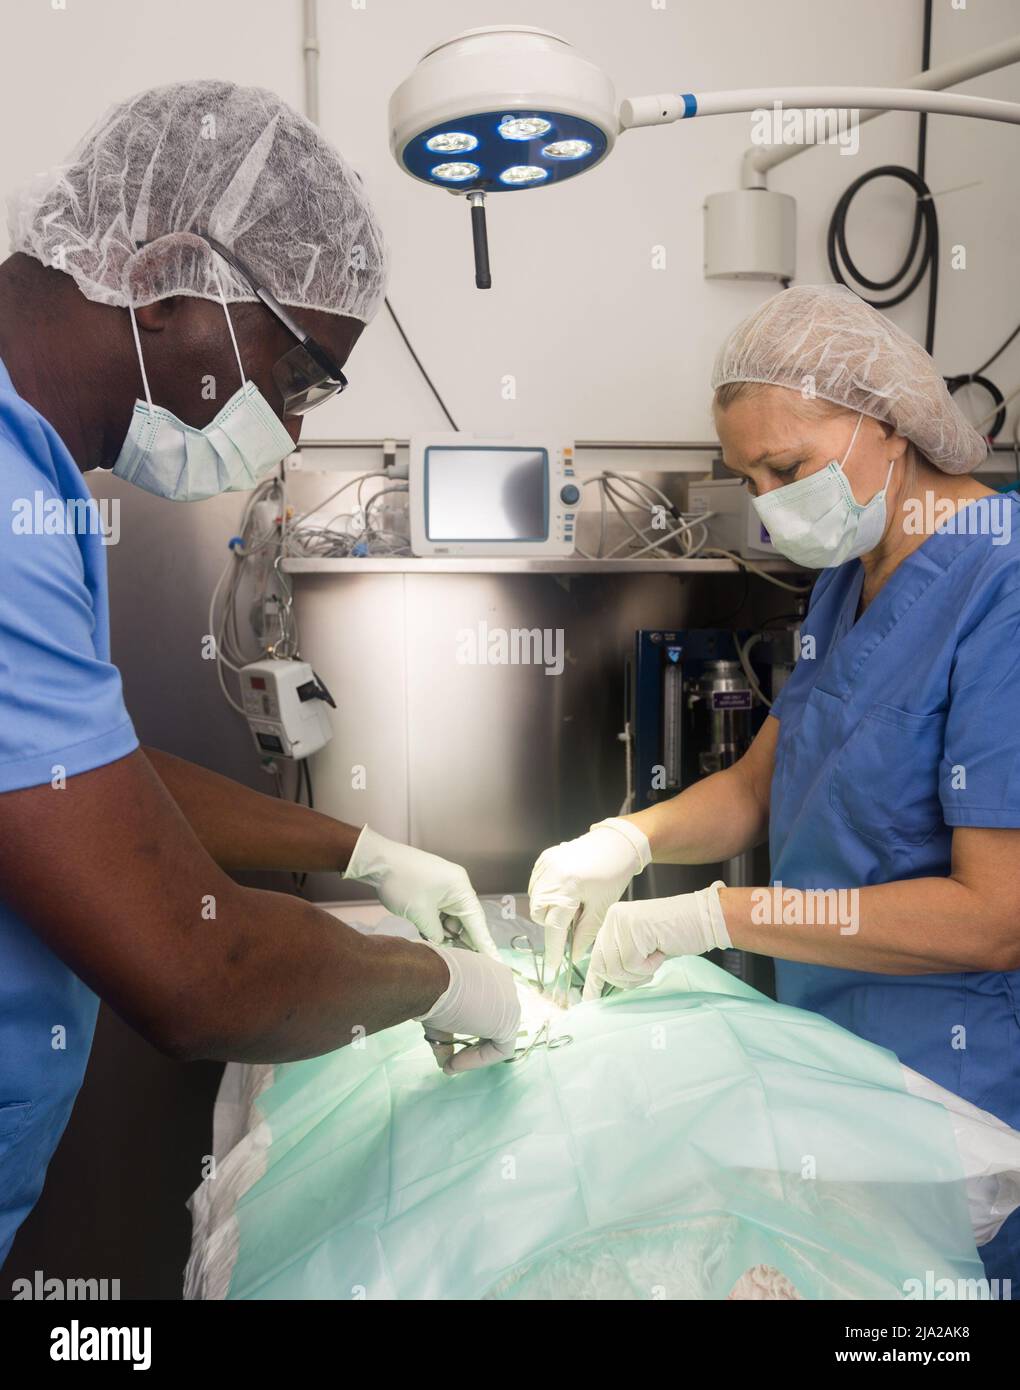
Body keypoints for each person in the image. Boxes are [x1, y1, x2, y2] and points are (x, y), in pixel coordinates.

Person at [0, 80, 519, 1268]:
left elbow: (87, 783)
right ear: (179, 278)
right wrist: (440, 983)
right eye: (298, 377)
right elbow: (201, 971)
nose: (285, 432)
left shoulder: (35, 474)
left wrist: (366, 856)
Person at [529, 284, 1020, 1290]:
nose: (767, 502)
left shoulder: (1000, 589)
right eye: (748, 476)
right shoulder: (853, 573)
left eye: (786, 468)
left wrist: (719, 916)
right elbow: (759, 784)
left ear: (888, 422)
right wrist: (625, 841)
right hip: (836, 1072)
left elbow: (995, 917)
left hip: (958, 1106)